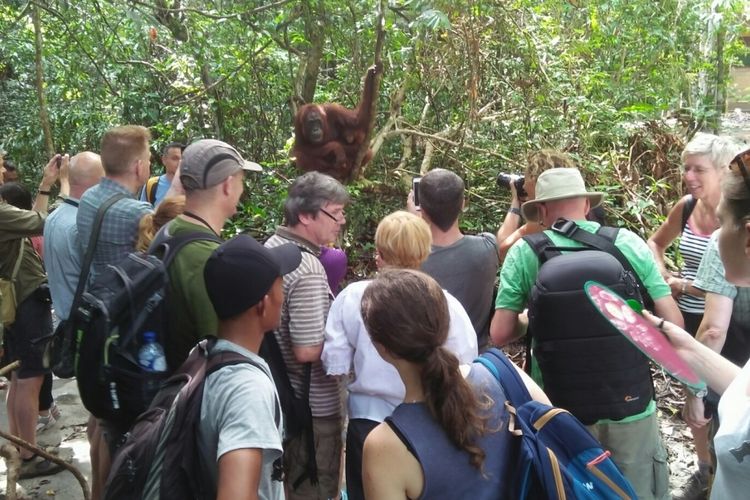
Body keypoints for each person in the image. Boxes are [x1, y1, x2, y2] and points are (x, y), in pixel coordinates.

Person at [490, 167, 682, 500]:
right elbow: (673, 324)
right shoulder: (627, 243)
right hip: (630, 402)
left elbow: (500, 333)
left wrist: (528, 319)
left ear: (543, 210)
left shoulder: (525, 251)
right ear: (586, 205)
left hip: (559, 408)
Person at [322, 211, 478, 500]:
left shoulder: (354, 296)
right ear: (426, 251)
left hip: (367, 421)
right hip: (430, 419)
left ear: (379, 252)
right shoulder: (446, 302)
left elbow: (335, 363)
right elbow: (466, 365)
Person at [360, 269, 549, 499]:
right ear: (445, 323)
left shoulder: (386, 448)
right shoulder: (504, 374)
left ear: (381, 347)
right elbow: (557, 444)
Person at [646, 133, 737, 500]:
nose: (689, 176)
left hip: (728, 325)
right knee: (695, 401)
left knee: (725, 399)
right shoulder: (686, 207)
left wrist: (683, 285)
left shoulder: (736, 216)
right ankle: (705, 468)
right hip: (687, 319)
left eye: (699, 169)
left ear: (722, 171)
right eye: (686, 168)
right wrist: (665, 282)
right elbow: (655, 243)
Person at [76, 125, 155, 500]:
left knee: (100, 420)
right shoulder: (136, 212)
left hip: (94, 319)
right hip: (124, 332)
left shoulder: (89, 199)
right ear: (139, 167)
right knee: (122, 432)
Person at [264, 171, 349, 499]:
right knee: (315, 489)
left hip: (282, 398)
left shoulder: (273, 246)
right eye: (335, 213)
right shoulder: (309, 269)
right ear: (304, 215)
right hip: (313, 408)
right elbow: (307, 349)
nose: (340, 221)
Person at [199, 234, 302, 500]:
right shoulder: (248, 392)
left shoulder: (203, 354)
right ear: (264, 302)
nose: (284, 292)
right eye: (281, 283)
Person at [161, 139, 261, 369]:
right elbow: (221, 350)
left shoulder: (169, 229)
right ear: (227, 185)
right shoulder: (207, 257)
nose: (242, 188)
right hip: (192, 389)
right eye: (241, 180)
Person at [1, 153, 62, 478]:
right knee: (30, 378)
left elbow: (31, 219)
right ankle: (28, 453)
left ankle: (20, 444)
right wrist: (58, 185)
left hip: (15, 301)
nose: (3, 170)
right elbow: (42, 222)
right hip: (25, 299)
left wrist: (44, 185)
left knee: (17, 377)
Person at [409, 168, 498, 350]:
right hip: (474, 361)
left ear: (421, 209)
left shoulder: (409, 261)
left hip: (425, 364)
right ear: (463, 203)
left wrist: (414, 223)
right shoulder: (487, 248)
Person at [495, 149, 605, 262]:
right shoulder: (589, 209)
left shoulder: (544, 219)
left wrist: (515, 203)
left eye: (526, 178)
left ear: (535, 181)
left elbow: (501, 251)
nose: (523, 186)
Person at [140, 142, 184, 206]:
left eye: (183, 158)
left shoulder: (193, 186)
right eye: (175, 158)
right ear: (164, 160)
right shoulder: (152, 184)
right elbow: (144, 213)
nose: (180, 162)